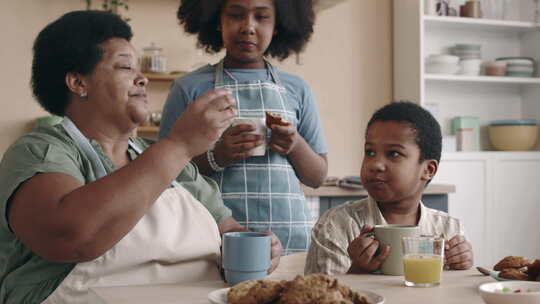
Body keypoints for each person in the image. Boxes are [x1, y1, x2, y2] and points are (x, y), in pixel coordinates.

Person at [0, 10, 281, 304]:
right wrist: (179, 145)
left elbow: (229, 233)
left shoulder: (164, 161)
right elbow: (69, 236)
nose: (142, 79)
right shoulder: (40, 151)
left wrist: (261, 248)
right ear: (78, 83)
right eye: (125, 67)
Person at [159, 0, 328, 255]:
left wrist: (295, 145)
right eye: (236, 15)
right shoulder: (189, 87)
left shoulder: (297, 89)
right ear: (217, 21)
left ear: (278, 26)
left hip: (290, 243)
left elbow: (317, 177)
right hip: (213, 239)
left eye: (261, 17)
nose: (248, 27)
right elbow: (163, 172)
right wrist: (217, 157)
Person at [304, 101, 474, 275]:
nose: (375, 164)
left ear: (428, 170)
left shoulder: (449, 230)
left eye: (393, 153)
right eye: (370, 152)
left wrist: (463, 263)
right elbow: (321, 295)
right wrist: (357, 271)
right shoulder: (336, 226)